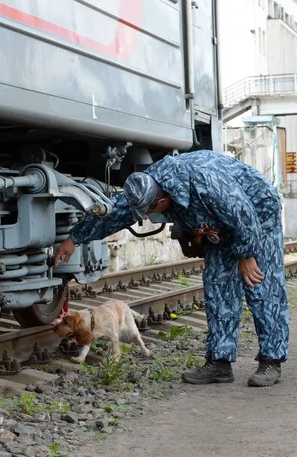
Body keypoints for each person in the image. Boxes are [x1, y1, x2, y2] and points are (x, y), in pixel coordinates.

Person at [54, 150, 289, 387]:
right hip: (220, 223)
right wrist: (74, 238)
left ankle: (271, 360)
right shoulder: (145, 185)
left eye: (149, 211)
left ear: (163, 202)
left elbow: (243, 214)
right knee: (218, 287)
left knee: (259, 283)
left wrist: (247, 255)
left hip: (258, 213)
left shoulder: (205, 183)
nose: (146, 216)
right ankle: (220, 363)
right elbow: (116, 214)